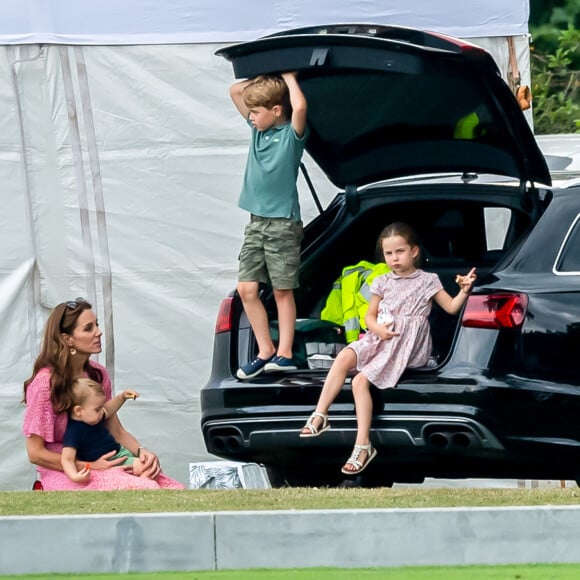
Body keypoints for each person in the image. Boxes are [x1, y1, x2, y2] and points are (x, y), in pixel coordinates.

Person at [299, 222, 477, 475]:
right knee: (344, 356)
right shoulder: (381, 280)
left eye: (400, 252)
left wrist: (464, 291)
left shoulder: (428, 280)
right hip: (381, 335)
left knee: (360, 382)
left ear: (414, 251)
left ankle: (362, 446)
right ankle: (320, 414)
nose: (394, 258)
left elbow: (450, 307)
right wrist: (378, 330)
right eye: (389, 254)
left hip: (407, 343)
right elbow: (370, 317)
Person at [22, 298, 185, 490]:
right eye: (88, 328)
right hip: (68, 470)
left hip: (107, 457)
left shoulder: (98, 374)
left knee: (170, 487)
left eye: (96, 325)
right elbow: (35, 453)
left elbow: (115, 430)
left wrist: (143, 453)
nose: (98, 332)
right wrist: (90, 467)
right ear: (68, 339)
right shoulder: (45, 384)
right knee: (144, 487)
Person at [229, 72, 309, 379]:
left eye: (256, 113)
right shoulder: (257, 133)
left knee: (281, 291)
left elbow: (299, 108)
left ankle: (285, 353)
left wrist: (289, 78)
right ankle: (265, 350)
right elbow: (235, 90)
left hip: (282, 224)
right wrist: (264, 75)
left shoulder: (290, 136)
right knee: (246, 289)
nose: (250, 118)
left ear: (276, 110)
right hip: (256, 222)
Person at [61, 379, 147, 483]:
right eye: (97, 409)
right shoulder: (73, 432)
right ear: (78, 411)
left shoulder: (93, 416)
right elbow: (67, 459)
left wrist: (122, 397)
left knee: (149, 464)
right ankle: (143, 487)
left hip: (120, 453)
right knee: (146, 467)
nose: (102, 411)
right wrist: (74, 476)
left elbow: (109, 409)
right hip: (112, 461)